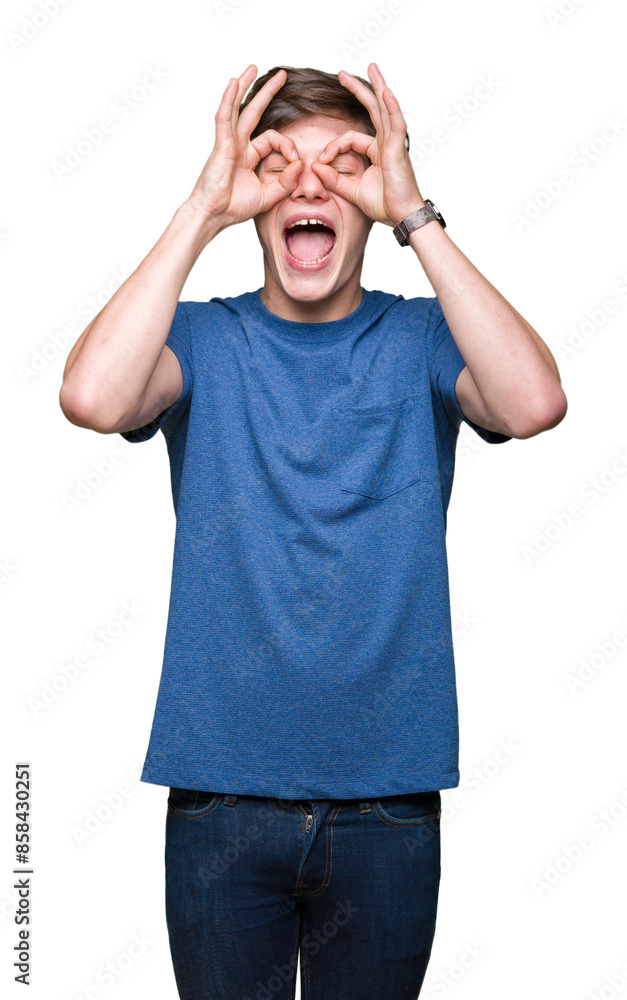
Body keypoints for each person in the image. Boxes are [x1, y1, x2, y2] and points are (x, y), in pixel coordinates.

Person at [59, 62, 567, 1000]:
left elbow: (532, 403)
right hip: (219, 796)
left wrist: (414, 213)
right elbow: (92, 397)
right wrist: (201, 208)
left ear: (373, 199)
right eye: (277, 165)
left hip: (388, 799)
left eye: (342, 165)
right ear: (250, 199)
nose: (307, 185)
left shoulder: (425, 337)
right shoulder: (200, 340)